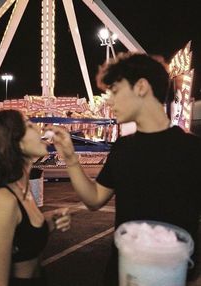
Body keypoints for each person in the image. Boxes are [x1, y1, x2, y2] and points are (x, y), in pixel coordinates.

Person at [49, 52, 201, 285]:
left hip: (176, 276)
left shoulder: (192, 149)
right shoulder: (123, 147)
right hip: (122, 274)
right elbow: (94, 199)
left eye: (116, 91)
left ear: (141, 87)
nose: (109, 101)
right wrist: (70, 157)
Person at [0, 109, 71, 286]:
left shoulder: (23, 188)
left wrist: (51, 220)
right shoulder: (3, 199)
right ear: (16, 143)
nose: (39, 129)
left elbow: (22, 235)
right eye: (29, 125)